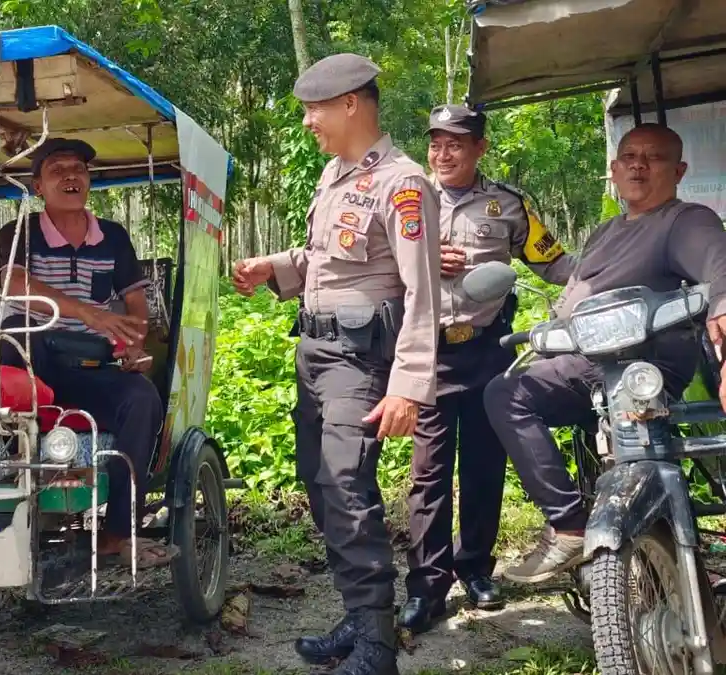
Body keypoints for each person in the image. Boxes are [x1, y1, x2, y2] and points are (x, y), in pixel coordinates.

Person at [232, 53, 442, 675]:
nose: (307, 122)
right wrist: (276, 266)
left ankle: (377, 643)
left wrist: (408, 386)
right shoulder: (334, 176)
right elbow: (326, 258)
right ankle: (359, 612)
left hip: (359, 359)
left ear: (351, 102)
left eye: (314, 108)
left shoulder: (402, 183)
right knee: (320, 481)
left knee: (345, 484)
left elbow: (421, 290)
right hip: (314, 351)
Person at [484, 123, 726, 584]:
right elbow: (572, 283)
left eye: (653, 158)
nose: (638, 164)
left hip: (639, 369)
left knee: (506, 395)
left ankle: (569, 524)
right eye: (629, 156)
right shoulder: (605, 232)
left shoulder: (684, 220)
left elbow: (719, 262)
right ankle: (579, 525)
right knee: (504, 390)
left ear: (679, 170)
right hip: (590, 362)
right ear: (613, 170)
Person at [399, 104, 576, 633]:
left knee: (482, 466)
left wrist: (601, 277)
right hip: (429, 355)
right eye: (435, 143)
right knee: (428, 473)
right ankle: (427, 586)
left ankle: (475, 568)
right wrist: (428, 260)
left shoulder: (507, 205)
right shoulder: (409, 200)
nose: (442, 153)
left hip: (488, 351)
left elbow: (553, 261)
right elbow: (381, 261)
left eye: (455, 143)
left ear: (480, 147)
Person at [0, 137, 171, 568]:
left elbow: (134, 304)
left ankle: (117, 534)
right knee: (19, 330)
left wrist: (133, 345)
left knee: (142, 398)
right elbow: (12, 285)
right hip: (30, 362)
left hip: (89, 365)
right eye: (57, 170)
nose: (71, 176)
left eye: (79, 169)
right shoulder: (19, 232)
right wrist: (86, 313)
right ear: (38, 186)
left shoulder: (112, 236)